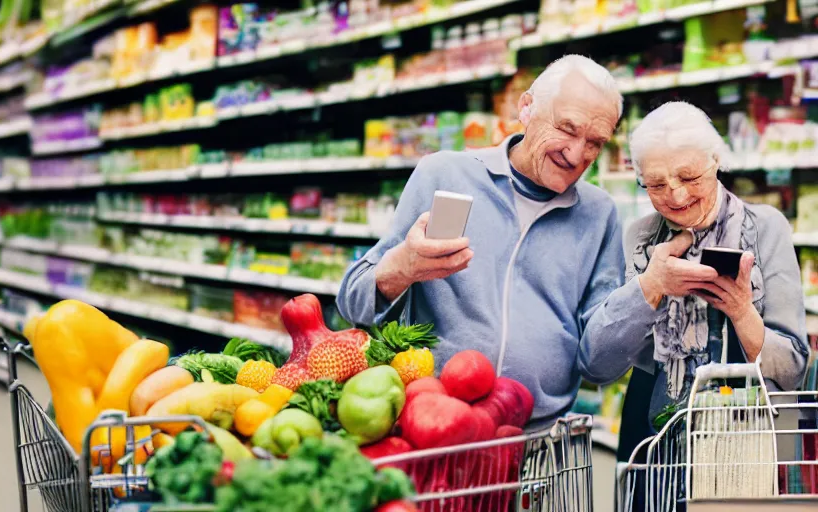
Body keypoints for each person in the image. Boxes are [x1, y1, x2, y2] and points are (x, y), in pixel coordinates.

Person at [336, 54, 660, 428]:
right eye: (567, 129)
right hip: (434, 425)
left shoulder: (598, 213)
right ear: (526, 108)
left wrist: (649, 289)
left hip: (539, 442)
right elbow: (353, 302)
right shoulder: (444, 174)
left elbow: (597, 363)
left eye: (594, 143)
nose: (576, 154)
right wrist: (401, 268)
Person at [614, 101, 809, 462]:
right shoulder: (639, 237)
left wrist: (740, 309)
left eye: (689, 178)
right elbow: (603, 361)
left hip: (742, 437)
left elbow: (793, 370)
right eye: (656, 184)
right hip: (653, 433)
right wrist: (650, 287)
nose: (676, 196)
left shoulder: (766, 228)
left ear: (716, 160)